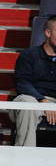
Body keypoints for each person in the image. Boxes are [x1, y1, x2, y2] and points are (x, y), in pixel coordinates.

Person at [10, 15, 56, 147]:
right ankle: (25, 156)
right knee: (27, 103)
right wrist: (43, 100)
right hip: (33, 99)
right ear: (48, 33)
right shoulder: (29, 55)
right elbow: (22, 83)